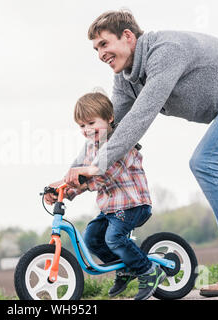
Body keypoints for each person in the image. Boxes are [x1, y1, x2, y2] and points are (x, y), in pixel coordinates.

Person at [47, 9, 218, 297]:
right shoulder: (125, 79)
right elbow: (109, 132)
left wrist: (96, 168)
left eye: (104, 44)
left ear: (128, 36)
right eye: (96, 49)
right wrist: (72, 178)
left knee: (205, 163)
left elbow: (142, 115)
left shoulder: (164, 52)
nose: (100, 54)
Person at [46, 91, 166, 300]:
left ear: (109, 118)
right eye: (82, 126)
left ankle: (148, 271)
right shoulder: (91, 148)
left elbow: (105, 176)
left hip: (133, 205)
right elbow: (79, 173)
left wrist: (77, 183)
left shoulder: (121, 144)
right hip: (111, 208)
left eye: (92, 123)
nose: (87, 130)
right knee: (91, 238)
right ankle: (127, 268)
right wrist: (61, 190)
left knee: (114, 238)